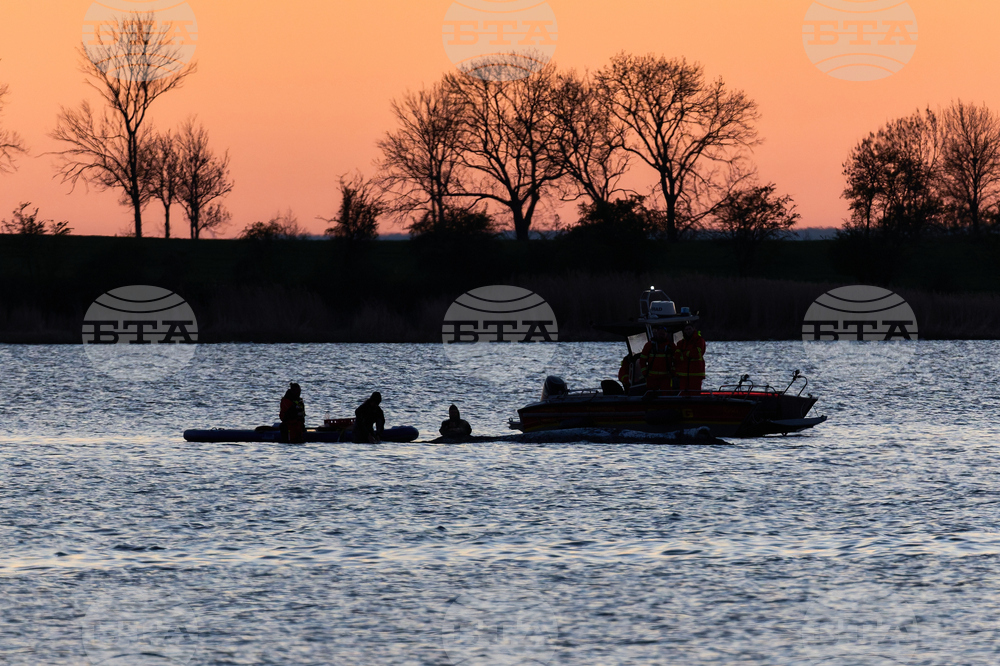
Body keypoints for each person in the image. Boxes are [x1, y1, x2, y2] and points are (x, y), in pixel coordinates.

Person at [674, 324, 707, 394]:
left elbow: (697, 354)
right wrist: (688, 353)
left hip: (695, 374)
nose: (688, 331)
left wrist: (685, 354)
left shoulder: (699, 340)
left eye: (689, 329)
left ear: (693, 329)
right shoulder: (680, 343)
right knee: (682, 394)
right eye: (686, 330)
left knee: (695, 394)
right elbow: (676, 356)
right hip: (683, 375)